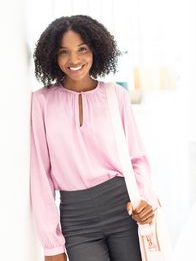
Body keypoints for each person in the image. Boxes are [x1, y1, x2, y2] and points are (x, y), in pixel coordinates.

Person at [30, 15, 160, 261]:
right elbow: (40, 176)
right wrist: (52, 245)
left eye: (82, 50)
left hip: (124, 210)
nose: (75, 60)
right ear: (52, 56)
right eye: (63, 52)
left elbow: (137, 158)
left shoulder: (116, 96)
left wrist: (145, 198)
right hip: (76, 219)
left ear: (96, 51)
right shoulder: (41, 102)